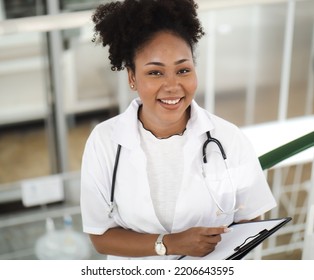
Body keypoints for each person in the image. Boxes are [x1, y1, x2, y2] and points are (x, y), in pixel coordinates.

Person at [80, 0, 277, 260]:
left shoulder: (229, 139)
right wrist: (170, 244)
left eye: (183, 70)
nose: (173, 86)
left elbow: (251, 217)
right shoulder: (104, 142)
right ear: (131, 77)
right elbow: (101, 237)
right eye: (155, 73)